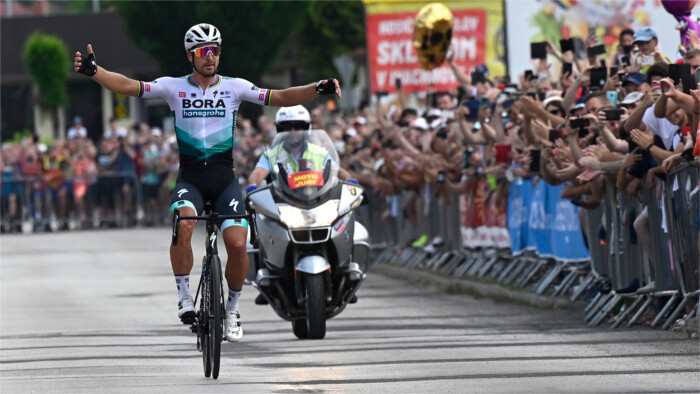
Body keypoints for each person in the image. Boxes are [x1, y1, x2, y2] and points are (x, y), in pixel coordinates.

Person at [74, 23, 341, 342]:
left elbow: (281, 96)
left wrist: (318, 88)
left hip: (223, 177)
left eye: (215, 50)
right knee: (184, 223)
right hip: (191, 177)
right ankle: (185, 295)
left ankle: (232, 311)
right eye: (203, 52)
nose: (210, 57)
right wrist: (96, 72)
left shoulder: (235, 87)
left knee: (239, 245)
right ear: (190, 56)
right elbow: (129, 86)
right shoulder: (173, 87)